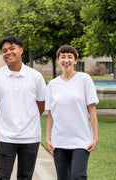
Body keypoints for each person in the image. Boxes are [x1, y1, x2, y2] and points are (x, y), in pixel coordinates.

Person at [0, 36, 46, 180]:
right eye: (4, 50)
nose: (8, 52)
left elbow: (41, 105)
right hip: (6, 137)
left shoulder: (36, 76)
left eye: (12, 48)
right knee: (1, 176)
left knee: (25, 177)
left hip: (30, 137)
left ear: (21, 50)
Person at [45, 45, 98, 180]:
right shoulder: (52, 85)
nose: (66, 60)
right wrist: (48, 137)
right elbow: (51, 114)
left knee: (77, 176)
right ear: (58, 61)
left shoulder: (84, 79)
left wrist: (95, 137)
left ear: (75, 61)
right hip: (60, 140)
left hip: (81, 140)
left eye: (70, 57)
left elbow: (92, 109)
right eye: (63, 57)